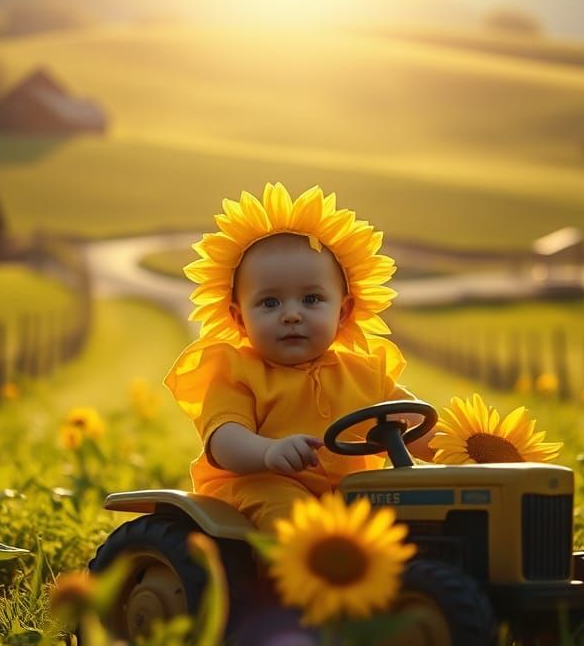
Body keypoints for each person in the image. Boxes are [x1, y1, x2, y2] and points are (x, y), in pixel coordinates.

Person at [165, 183, 432, 530]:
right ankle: (287, 580)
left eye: (311, 300)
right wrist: (267, 453)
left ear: (343, 311)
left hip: (348, 495)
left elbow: (417, 425)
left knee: (410, 513)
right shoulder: (237, 372)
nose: (291, 315)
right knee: (291, 516)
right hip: (259, 484)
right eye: (270, 302)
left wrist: (468, 449)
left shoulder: (365, 373)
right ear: (239, 317)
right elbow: (224, 440)